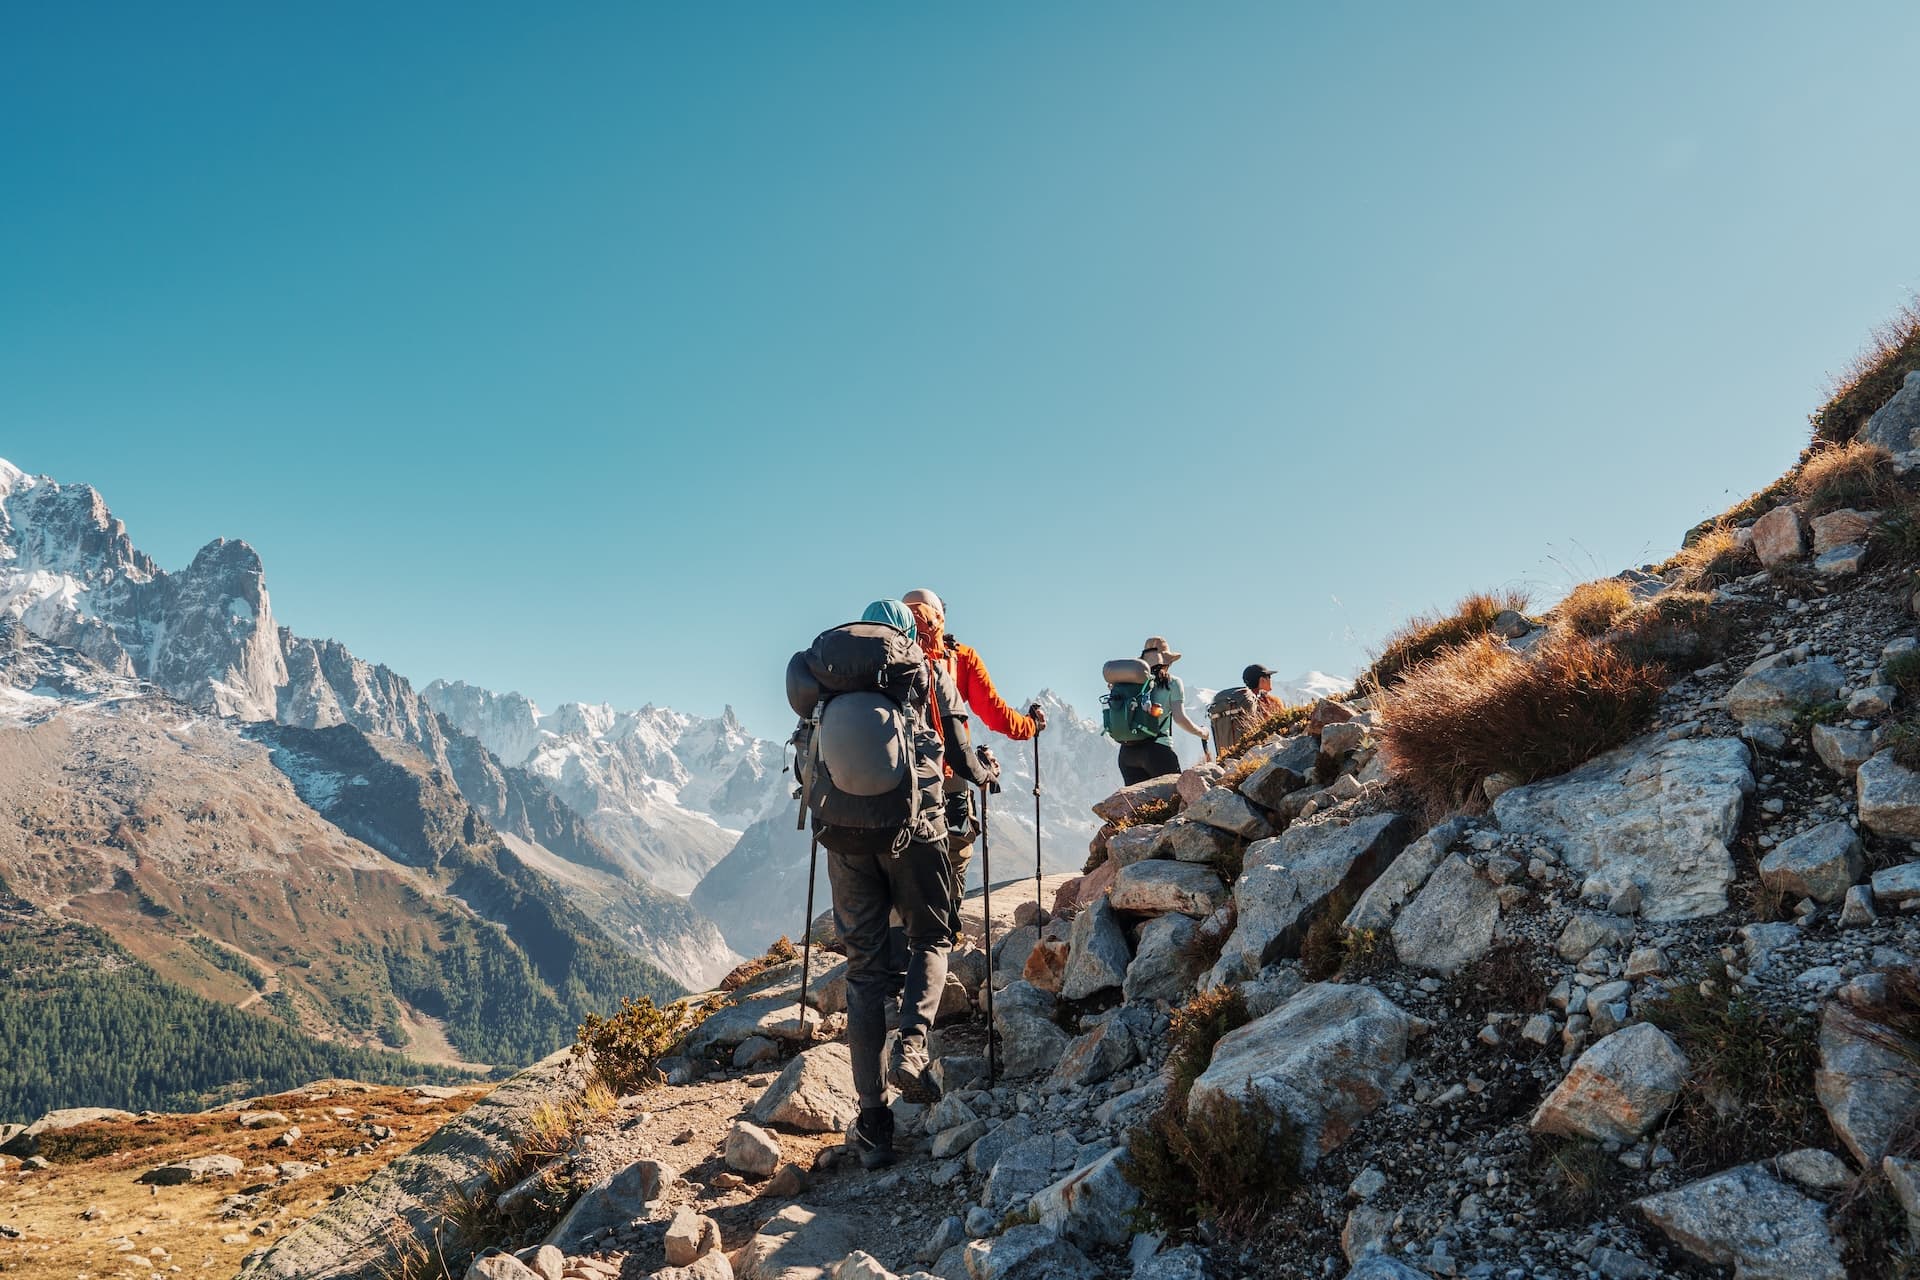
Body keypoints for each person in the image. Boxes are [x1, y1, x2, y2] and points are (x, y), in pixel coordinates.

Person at [822, 599, 953, 1168]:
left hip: (846, 840)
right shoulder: (922, 669)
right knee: (931, 937)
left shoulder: (831, 686)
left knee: (865, 971)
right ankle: (915, 1044)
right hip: (913, 831)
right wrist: (981, 774)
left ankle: (873, 1121)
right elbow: (962, 756)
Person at [901, 589, 1044, 933]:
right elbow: (995, 715)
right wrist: (1031, 726)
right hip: (946, 773)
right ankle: (944, 935)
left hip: (890, 774)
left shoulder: (882, 659)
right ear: (941, 618)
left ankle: (901, 938)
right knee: (956, 853)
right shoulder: (959, 657)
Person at [1117, 636, 1209, 785]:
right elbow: (1179, 718)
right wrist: (1201, 732)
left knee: (1139, 805)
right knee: (1175, 800)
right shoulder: (1172, 682)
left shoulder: (1128, 682)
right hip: (1157, 750)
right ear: (1167, 661)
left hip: (1127, 754)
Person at [1209, 663, 1286, 755]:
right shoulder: (1270, 702)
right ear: (1262, 680)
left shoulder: (1240, 701)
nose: (1271, 680)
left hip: (1230, 753)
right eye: (1269, 677)